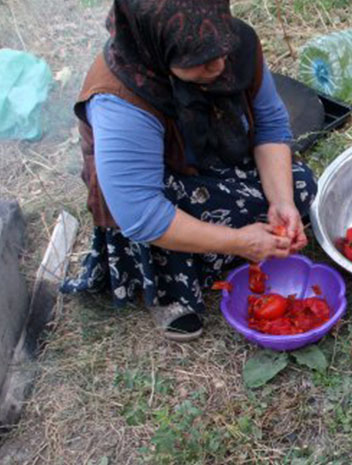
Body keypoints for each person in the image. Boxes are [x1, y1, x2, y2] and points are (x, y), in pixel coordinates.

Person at [62, 0, 317, 341]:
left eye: (223, 51)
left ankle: (230, 247)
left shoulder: (228, 43)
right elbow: (141, 214)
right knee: (183, 219)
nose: (220, 65)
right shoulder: (121, 99)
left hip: (214, 158)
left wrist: (281, 201)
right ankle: (170, 289)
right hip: (159, 190)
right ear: (158, 48)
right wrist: (240, 241)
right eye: (199, 61)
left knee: (301, 189)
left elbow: (270, 125)